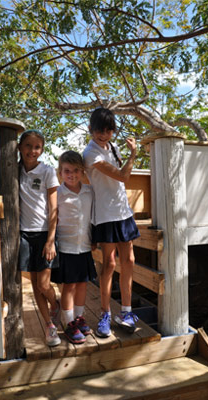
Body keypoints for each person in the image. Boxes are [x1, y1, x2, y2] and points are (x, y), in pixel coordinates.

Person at [83, 108, 140, 338]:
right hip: (105, 215)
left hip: (123, 212)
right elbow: (123, 176)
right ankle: (105, 314)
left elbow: (120, 181)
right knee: (109, 265)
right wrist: (133, 154)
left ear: (112, 131)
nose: (103, 135)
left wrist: (126, 154)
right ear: (91, 129)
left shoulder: (112, 147)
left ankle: (126, 312)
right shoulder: (90, 153)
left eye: (108, 131)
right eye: (99, 130)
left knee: (129, 260)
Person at [18, 129, 61, 347]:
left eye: (37, 147)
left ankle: (56, 303)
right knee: (34, 284)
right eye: (28, 145)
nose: (32, 151)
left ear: (42, 150)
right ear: (19, 147)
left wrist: (51, 240)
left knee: (44, 284)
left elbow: (54, 208)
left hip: (45, 233)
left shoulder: (47, 171)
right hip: (24, 233)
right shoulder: (13, 170)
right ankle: (49, 326)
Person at [52, 150, 97, 344]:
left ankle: (79, 318)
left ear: (82, 170)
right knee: (69, 285)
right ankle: (68, 323)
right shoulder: (58, 193)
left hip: (84, 245)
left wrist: (94, 239)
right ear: (60, 172)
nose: (72, 174)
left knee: (82, 283)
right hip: (66, 246)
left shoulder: (89, 191)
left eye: (76, 170)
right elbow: (52, 218)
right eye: (67, 171)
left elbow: (93, 217)